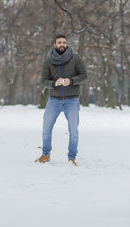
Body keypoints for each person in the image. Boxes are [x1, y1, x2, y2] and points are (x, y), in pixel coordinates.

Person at [35, 34, 87, 166]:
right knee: (46, 128)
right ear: (55, 45)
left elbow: (84, 76)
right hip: (54, 100)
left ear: (66, 44)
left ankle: (72, 157)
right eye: (59, 42)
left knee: (73, 131)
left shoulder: (75, 58)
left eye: (64, 42)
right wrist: (54, 83)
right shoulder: (48, 61)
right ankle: (45, 155)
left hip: (72, 101)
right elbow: (43, 80)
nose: (62, 44)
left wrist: (71, 81)